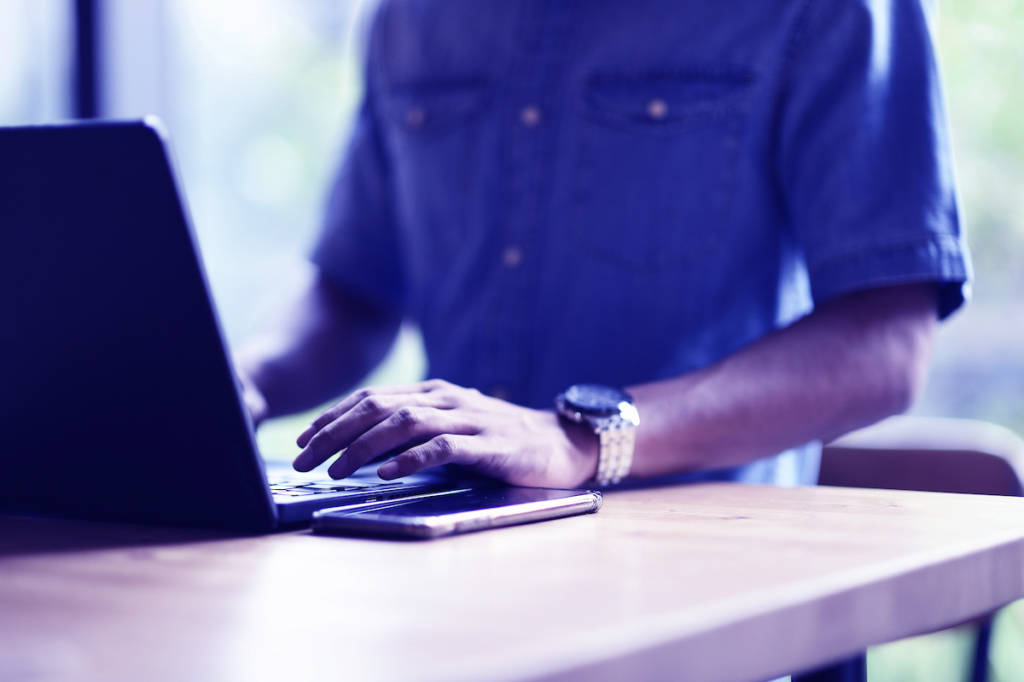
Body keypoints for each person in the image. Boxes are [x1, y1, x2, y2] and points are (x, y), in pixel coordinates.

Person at [237, 0, 970, 491]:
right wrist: (244, 378)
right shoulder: (411, 15)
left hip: (704, 571)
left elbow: (887, 344)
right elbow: (357, 289)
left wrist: (579, 440)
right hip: (438, 548)